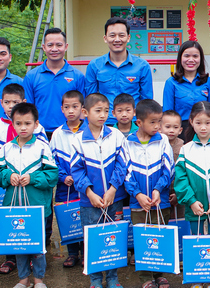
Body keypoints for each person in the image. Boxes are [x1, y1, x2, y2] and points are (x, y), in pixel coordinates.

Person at [0, 83, 48, 273]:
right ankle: (11, 259)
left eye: (15, 102)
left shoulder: (37, 129)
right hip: (9, 186)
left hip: (32, 188)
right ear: (1, 103)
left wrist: (33, 176)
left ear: (24, 102)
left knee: (33, 224)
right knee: (11, 222)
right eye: (7, 102)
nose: (11, 106)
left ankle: (35, 260)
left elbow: (46, 160)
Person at [0, 103, 58, 288]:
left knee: (37, 246)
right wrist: (8, 176)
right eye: (18, 123)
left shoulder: (42, 148)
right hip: (14, 207)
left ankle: (39, 280)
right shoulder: (6, 149)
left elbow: (52, 176)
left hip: (37, 207)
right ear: (12, 124)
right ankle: (23, 279)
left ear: (36, 124)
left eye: (28, 123)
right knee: (19, 245)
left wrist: (32, 178)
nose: (23, 127)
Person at [71, 93, 128, 288]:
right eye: (98, 111)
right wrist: (89, 193)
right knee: (93, 239)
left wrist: (113, 189)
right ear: (85, 112)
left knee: (113, 238)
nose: (103, 115)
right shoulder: (78, 140)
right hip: (90, 202)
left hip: (114, 199)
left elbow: (122, 164)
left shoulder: (116, 135)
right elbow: (76, 171)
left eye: (106, 111)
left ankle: (112, 278)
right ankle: (95, 279)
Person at [175, 102, 210, 285]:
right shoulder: (186, 149)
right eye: (198, 123)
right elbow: (181, 178)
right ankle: (197, 278)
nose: (203, 127)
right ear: (191, 122)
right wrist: (191, 201)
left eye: (207, 122)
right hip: (195, 207)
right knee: (196, 240)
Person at [124, 99, 174, 288]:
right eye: (153, 122)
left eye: (159, 121)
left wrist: (157, 189)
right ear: (139, 122)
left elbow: (168, 168)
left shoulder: (163, 141)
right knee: (143, 239)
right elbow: (125, 172)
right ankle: (145, 277)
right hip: (138, 203)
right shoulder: (127, 143)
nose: (157, 126)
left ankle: (160, 273)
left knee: (160, 237)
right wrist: (137, 194)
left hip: (160, 202)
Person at [85, 17, 153, 125]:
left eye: (121, 35)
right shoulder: (94, 66)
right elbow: (90, 99)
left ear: (128, 38)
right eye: (112, 35)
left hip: (133, 124)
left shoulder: (142, 66)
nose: (117, 39)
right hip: (104, 123)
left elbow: (147, 100)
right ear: (105, 38)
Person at [22, 28, 85, 137]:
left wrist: (79, 132)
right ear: (44, 47)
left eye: (59, 45)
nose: (54, 49)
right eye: (50, 45)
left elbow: (83, 108)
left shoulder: (77, 76)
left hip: (70, 133)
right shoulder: (31, 76)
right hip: (39, 134)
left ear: (66, 47)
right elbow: (27, 109)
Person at [50, 90, 85, 268]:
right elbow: (52, 160)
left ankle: (86, 252)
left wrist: (82, 177)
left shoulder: (89, 131)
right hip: (65, 186)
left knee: (85, 216)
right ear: (62, 109)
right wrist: (63, 177)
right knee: (68, 216)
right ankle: (72, 253)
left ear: (82, 109)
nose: (71, 110)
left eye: (75, 106)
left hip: (86, 186)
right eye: (67, 107)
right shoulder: (57, 134)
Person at [162, 41, 210, 140]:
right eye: (187, 56)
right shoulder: (171, 83)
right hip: (179, 132)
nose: (191, 60)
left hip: (203, 130)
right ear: (180, 58)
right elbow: (167, 113)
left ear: (201, 59)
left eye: (195, 56)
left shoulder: (208, 82)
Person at [160, 110, 185, 219]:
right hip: (160, 191)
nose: (171, 130)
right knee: (162, 220)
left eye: (175, 127)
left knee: (180, 219)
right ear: (160, 128)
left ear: (180, 130)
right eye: (167, 127)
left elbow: (185, 172)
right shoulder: (156, 145)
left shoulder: (183, 148)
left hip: (178, 190)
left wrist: (179, 193)